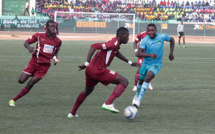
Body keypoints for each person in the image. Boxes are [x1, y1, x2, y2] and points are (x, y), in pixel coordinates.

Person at [67, 27, 139, 118]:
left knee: (87, 90)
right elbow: (94, 46)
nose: (128, 38)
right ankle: (108, 103)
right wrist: (86, 62)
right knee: (124, 81)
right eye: (127, 36)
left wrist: (130, 62)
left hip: (90, 69)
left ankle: (72, 113)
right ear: (120, 36)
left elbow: (116, 52)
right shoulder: (113, 43)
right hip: (98, 70)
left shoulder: (115, 43)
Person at [9, 20, 62, 106]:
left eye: (54, 27)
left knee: (31, 83)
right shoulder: (39, 35)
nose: (53, 28)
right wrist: (29, 48)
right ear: (46, 27)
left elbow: (55, 52)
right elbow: (26, 42)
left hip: (44, 67)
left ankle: (13, 100)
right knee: (21, 81)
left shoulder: (58, 41)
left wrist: (55, 58)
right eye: (51, 26)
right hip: (34, 62)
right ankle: (32, 72)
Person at [132, 23, 175, 108]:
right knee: (140, 80)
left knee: (148, 78)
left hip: (156, 64)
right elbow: (138, 54)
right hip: (145, 63)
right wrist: (149, 55)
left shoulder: (162, 37)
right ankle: (137, 95)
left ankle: (139, 100)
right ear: (147, 31)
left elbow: (172, 39)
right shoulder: (145, 40)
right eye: (149, 31)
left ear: (156, 30)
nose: (150, 32)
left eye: (152, 30)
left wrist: (171, 53)